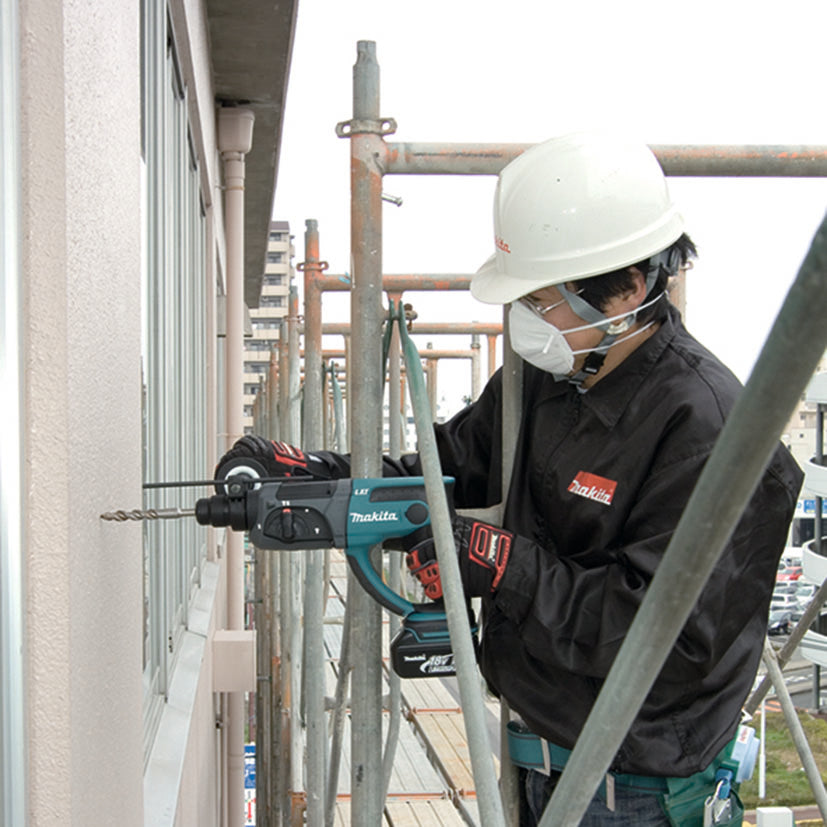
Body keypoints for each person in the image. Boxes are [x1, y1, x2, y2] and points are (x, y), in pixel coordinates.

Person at [218, 132, 803, 825]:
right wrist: (314, 476)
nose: (525, 318)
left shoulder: (710, 432)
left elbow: (664, 638)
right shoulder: (544, 381)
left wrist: (499, 565)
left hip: (634, 792)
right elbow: (441, 473)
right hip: (537, 757)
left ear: (629, 286)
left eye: (543, 298)